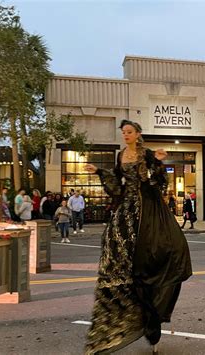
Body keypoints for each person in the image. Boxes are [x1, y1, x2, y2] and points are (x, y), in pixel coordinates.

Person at [83, 119, 192, 354]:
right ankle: (125, 314)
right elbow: (117, 186)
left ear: (138, 134)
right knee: (115, 250)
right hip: (127, 208)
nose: (126, 135)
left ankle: (153, 311)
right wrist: (99, 172)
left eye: (129, 132)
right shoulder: (121, 155)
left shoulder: (148, 154)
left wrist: (158, 162)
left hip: (148, 206)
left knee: (166, 247)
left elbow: (159, 181)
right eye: (123, 132)